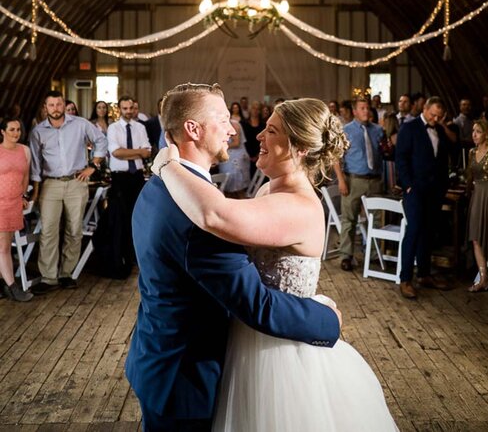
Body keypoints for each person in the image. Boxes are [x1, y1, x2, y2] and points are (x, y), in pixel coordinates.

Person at [132, 86, 390, 431]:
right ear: (194, 129)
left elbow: (219, 217)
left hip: (275, 352)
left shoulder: (161, 187)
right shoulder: (244, 195)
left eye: (272, 130)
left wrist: (166, 163)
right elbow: (219, 223)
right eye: (223, 120)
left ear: (300, 148)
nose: (241, 131)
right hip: (195, 364)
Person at [29, 91, 107, 292]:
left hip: (76, 181)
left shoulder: (80, 124)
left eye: (59, 104)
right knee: (48, 231)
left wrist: (94, 165)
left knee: (74, 230)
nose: (55, 108)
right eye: (51, 105)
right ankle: (48, 278)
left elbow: (101, 140)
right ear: (45, 108)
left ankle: (66, 274)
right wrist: (36, 191)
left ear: (64, 105)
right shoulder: (38, 131)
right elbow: (36, 164)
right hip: (50, 184)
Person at [395, 96, 451, 299]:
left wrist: (444, 184)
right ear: (425, 108)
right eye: (432, 114)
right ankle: (405, 278)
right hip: (415, 189)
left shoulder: (439, 130)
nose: (435, 119)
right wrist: (408, 185)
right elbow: (400, 158)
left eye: (439, 116)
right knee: (414, 230)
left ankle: (424, 274)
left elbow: (444, 158)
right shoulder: (409, 128)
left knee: (429, 232)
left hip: (435, 189)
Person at [334, 97, 384, 271]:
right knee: (349, 219)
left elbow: (383, 153)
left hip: (375, 180)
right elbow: (336, 157)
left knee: (376, 218)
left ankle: (374, 254)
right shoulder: (346, 130)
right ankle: (346, 256)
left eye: (367, 108)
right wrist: (341, 180)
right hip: (354, 180)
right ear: (354, 111)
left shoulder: (378, 130)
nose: (366, 111)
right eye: (362, 108)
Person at [103, 95, 151, 277]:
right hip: (120, 179)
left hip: (137, 177)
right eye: (125, 108)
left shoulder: (140, 127)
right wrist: (137, 152)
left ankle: (135, 256)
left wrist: (130, 153)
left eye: (131, 108)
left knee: (137, 218)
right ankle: (120, 258)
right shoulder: (113, 128)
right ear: (119, 110)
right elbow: (116, 152)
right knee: (120, 220)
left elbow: (147, 152)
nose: (128, 111)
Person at [0, 117, 33, 301]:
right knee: (3, 246)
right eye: (11, 130)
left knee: (5, 244)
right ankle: (13, 286)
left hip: (14, 202)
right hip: (0, 203)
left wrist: (23, 196)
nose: (15, 133)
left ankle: (5, 284)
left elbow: (25, 176)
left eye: (18, 130)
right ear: (2, 132)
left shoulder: (25, 150)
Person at [466, 120, 488, 292]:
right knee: (475, 235)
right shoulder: (471, 152)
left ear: (486, 134)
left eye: (478, 131)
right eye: (473, 131)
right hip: (477, 195)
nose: (474, 134)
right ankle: (483, 277)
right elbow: (469, 176)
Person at [218, 102, 251, 194]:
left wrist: (220, 146)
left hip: (236, 155)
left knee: (236, 185)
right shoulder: (222, 125)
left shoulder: (234, 124)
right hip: (228, 153)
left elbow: (236, 143)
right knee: (226, 183)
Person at [241, 101, 265, 178]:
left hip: (259, 153)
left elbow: (265, 140)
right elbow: (242, 140)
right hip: (245, 153)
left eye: (258, 109)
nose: (255, 111)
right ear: (250, 109)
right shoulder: (243, 123)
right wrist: (248, 155)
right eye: (254, 108)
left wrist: (258, 155)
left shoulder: (264, 124)